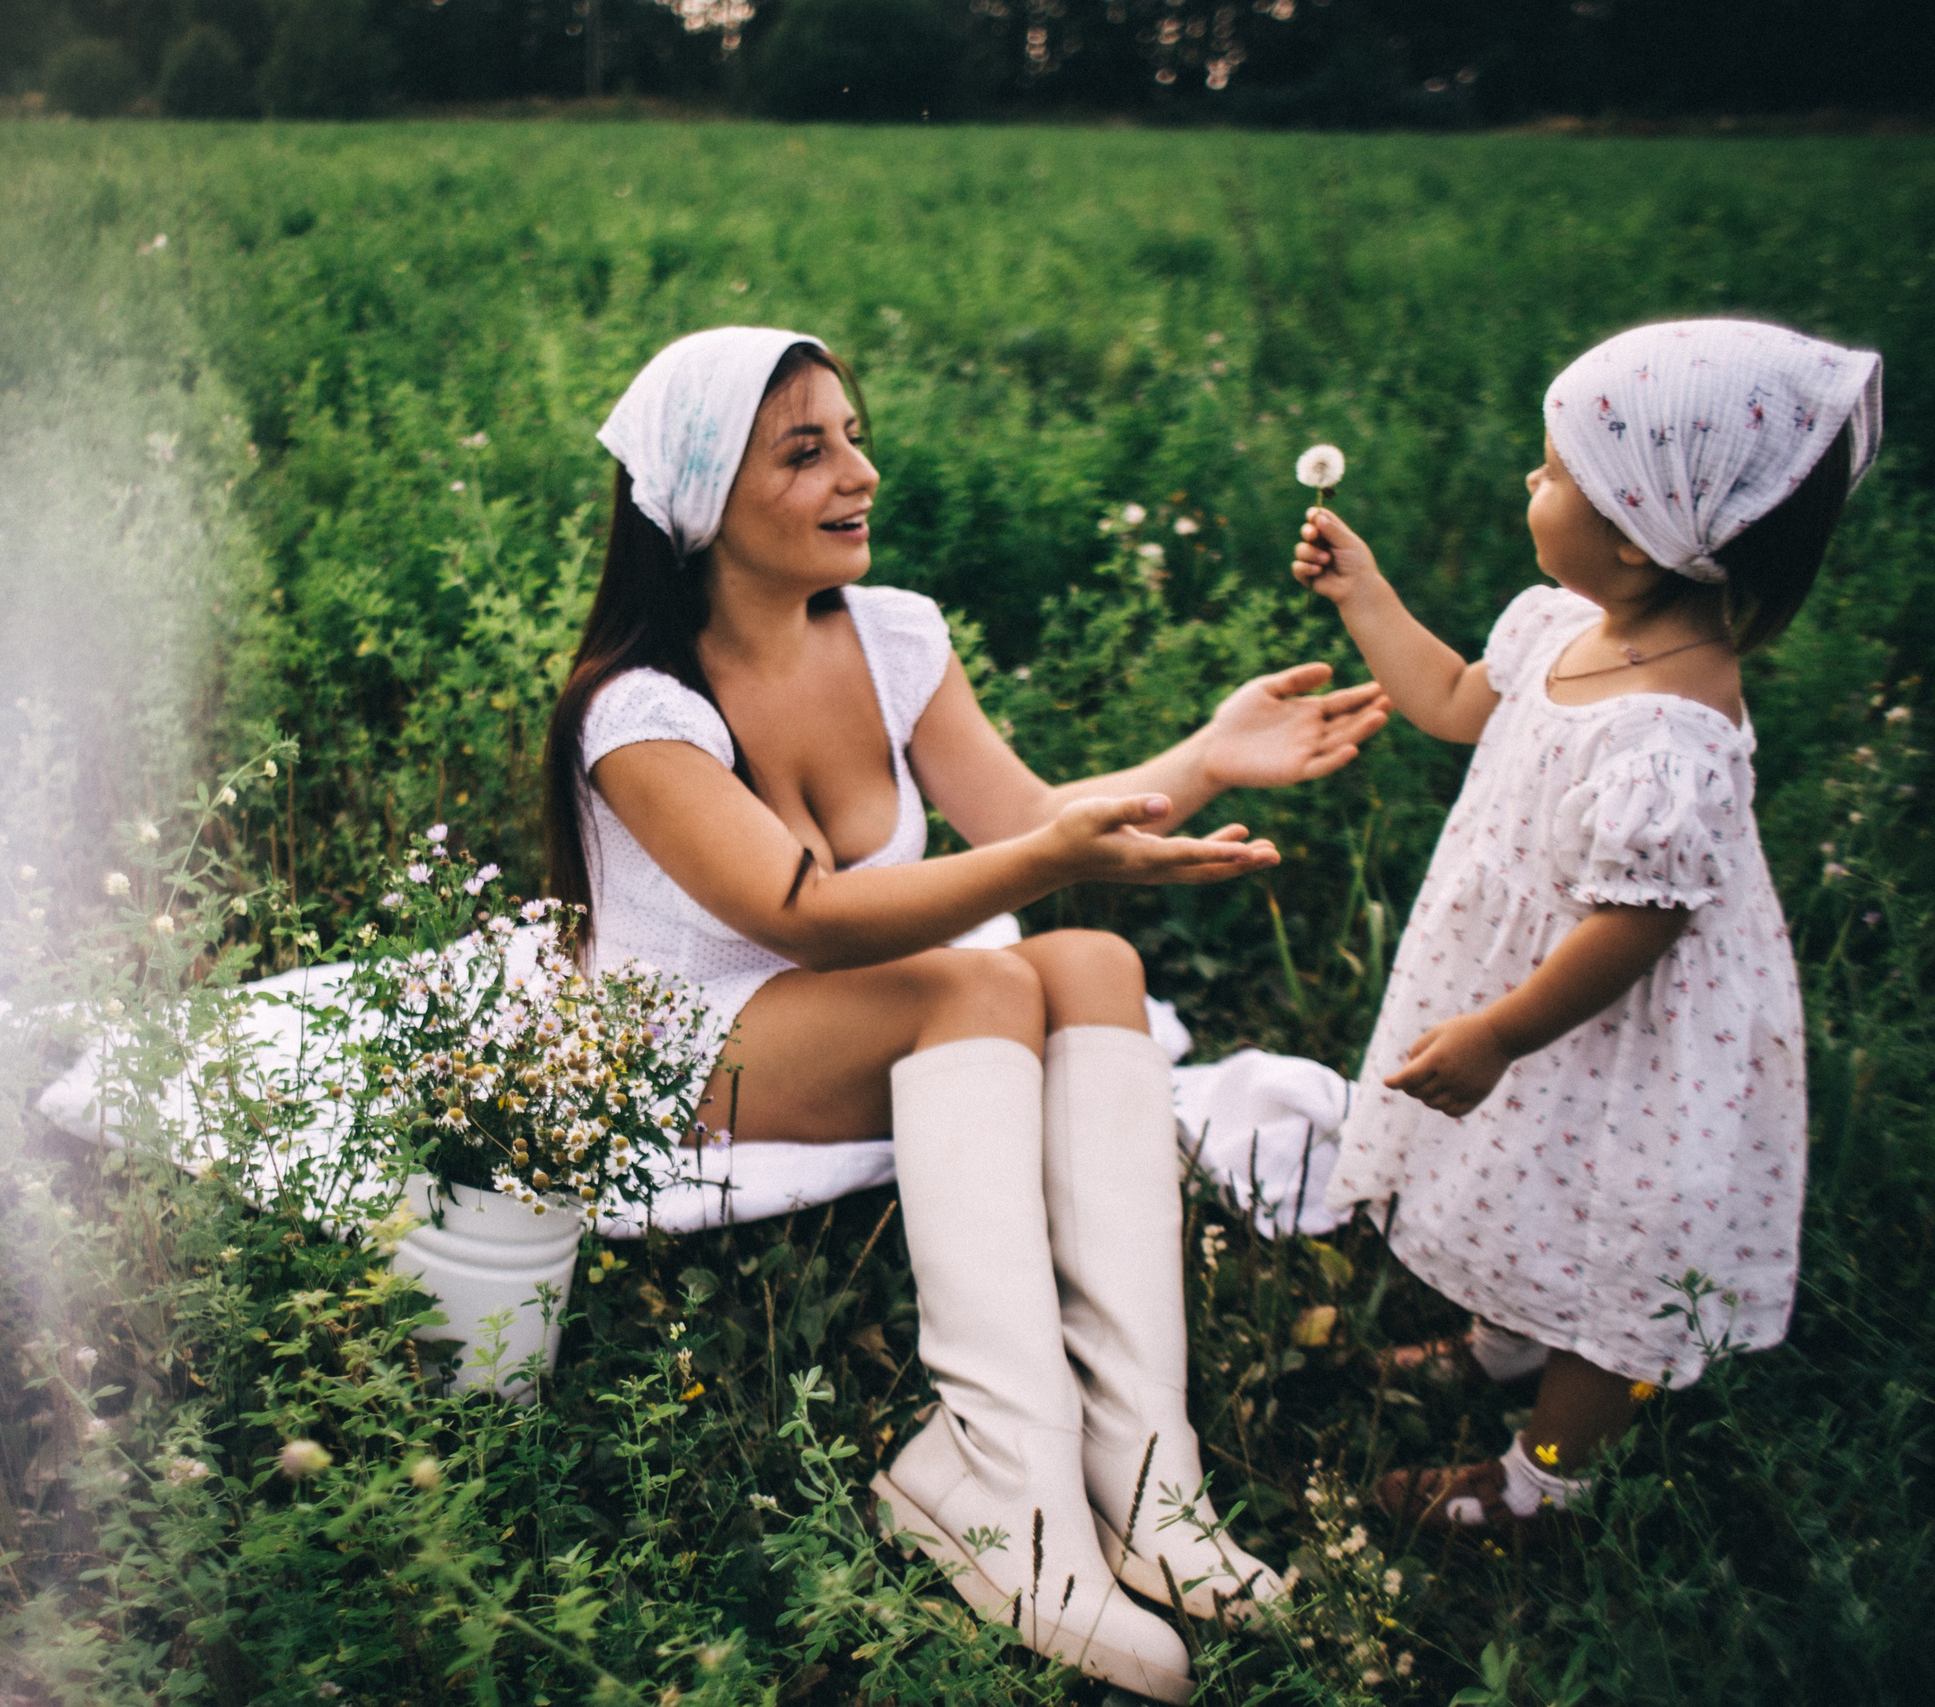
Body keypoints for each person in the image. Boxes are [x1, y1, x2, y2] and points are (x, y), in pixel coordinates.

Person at [546, 326, 1390, 1698]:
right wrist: (1051, 861)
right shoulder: (636, 710)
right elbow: (804, 914)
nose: (858, 472)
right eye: (805, 451)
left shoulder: (890, 634)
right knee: (984, 975)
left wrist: (1205, 756)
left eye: (853, 436)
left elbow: (1022, 818)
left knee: (1093, 964)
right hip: (688, 1043)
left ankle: (1148, 1471)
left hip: (843, 1006)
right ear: (702, 501)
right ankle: (1000, 1486)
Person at [1290, 319, 1881, 1528]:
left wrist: (1500, 1034)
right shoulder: (1562, 624)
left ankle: (1540, 1484)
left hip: (1618, 1034)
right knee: (1519, 1172)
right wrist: (1365, 594)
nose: (1529, 478)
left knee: (1613, 1239)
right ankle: (1505, 1343)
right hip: (1531, 980)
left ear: (1633, 529)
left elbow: (1634, 929)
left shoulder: (1668, 734)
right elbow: (1451, 702)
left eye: (1555, 470)